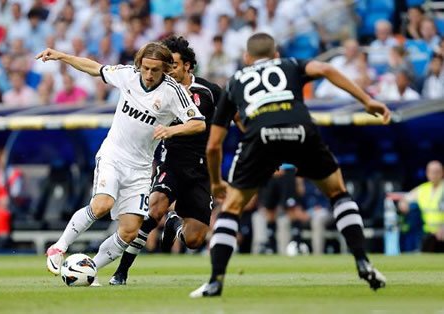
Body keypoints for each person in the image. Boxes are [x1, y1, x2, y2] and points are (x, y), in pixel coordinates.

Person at [190, 33, 390, 298]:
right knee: (338, 193)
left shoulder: (234, 81)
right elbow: (327, 68)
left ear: (247, 59)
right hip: (301, 132)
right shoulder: (290, 64)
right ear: (275, 56)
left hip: (259, 137)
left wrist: (216, 182)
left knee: (233, 209)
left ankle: (215, 281)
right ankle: (363, 261)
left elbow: (214, 145)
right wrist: (367, 100)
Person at [36, 42, 206, 282]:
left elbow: (199, 123)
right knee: (102, 204)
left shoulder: (173, 92)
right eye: (145, 68)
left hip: (140, 169)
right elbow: (94, 68)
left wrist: (172, 131)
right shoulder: (127, 75)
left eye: (155, 70)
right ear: (139, 65)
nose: (148, 74)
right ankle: (59, 247)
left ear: (165, 69)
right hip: (113, 156)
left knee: (129, 232)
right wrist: (62, 56)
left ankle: (87, 270)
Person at [109, 36, 221, 286]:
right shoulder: (161, 90)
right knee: (155, 208)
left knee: (194, 240)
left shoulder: (209, 91)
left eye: (174, 65)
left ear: (188, 66)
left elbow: (235, 115)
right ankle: (121, 272)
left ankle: (176, 225)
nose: (169, 70)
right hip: (170, 162)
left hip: (201, 170)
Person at [398, 161, 444, 252]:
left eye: (436, 171)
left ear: (442, 172)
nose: (434, 174)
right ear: (427, 173)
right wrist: (403, 203)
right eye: (431, 172)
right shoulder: (423, 189)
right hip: (428, 235)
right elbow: (404, 199)